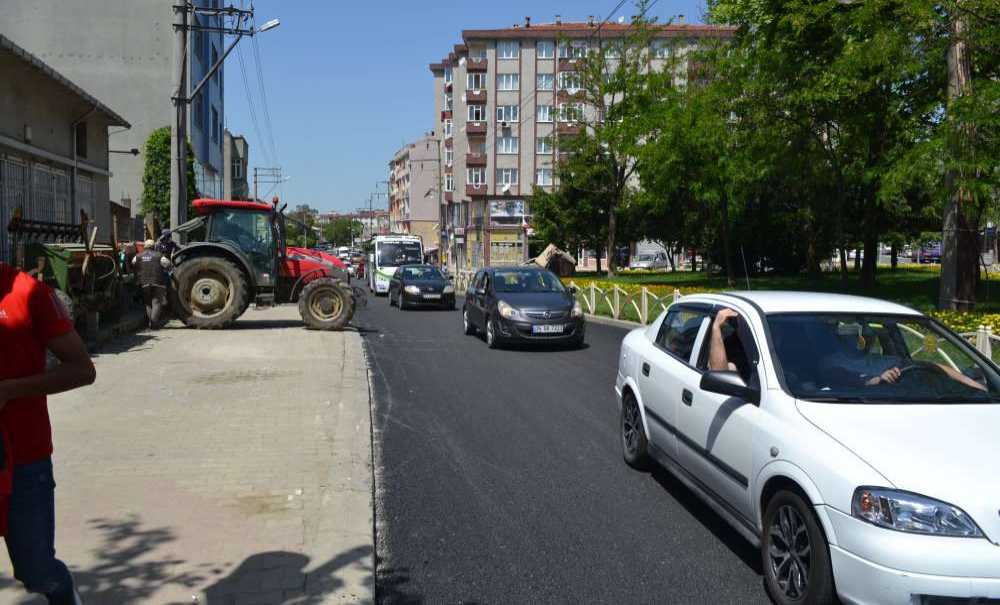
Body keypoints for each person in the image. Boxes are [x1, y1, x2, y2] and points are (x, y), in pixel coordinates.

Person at [1, 261, 95, 604]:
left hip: (24, 459)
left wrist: (9, 390)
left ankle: (65, 593)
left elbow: (83, 370)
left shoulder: (30, 293)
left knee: (37, 570)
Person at [132, 240, 172, 329]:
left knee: (148, 303)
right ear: (154, 247)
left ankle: (151, 322)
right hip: (158, 282)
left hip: (144, 283)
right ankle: (153, 323)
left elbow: (133, 263)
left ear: (145, 247)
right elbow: (168, 264)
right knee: (156, 302)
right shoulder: (159, 256)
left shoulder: (138, 256)